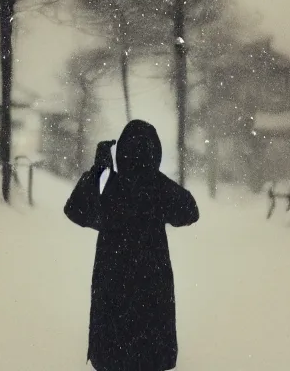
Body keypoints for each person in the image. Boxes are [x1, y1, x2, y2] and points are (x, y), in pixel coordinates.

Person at [64, 119, 199, 371]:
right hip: (152, 293)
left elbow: (75, 211)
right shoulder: (158, 189)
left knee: (113, 358)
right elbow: (190, 211)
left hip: (112, 290)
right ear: (155, 153)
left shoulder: (112, 188)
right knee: (148, 359)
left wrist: (97, 171)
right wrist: (154, 176)